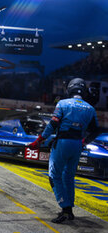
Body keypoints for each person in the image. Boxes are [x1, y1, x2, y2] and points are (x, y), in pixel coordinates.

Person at [29, 78, 99, 224]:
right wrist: (84, 142)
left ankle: (65, 208)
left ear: (70, 89)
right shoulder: (90, 108)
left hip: (62, 143)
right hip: (77, 145)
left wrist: (39, 140)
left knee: (54, 175)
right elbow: (95, 131)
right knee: (69, 177)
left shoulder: (63, 103)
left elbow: (52, 125)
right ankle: (70, 210)